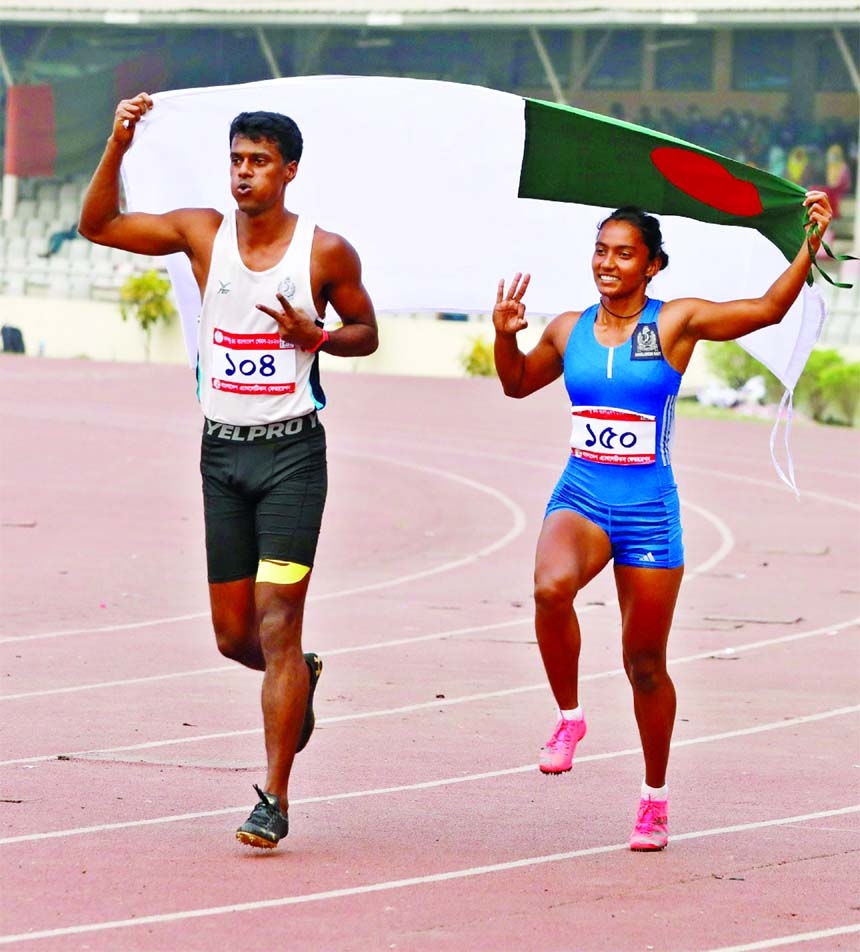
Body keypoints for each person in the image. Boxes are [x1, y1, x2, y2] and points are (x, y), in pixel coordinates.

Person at [79, 92, 378, 849]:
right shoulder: (202, 235)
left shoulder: (325, 253)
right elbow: (98, 226)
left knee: (277, 621)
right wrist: (118, 141)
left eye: (259, 163)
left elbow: (367, 332)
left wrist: (319, 334)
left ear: (290, 171)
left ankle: (272, 796)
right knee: (232, 637)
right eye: (236, 162)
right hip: (222, 455)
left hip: (290, 456)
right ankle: (300, 675)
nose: (244, 175)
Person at [491, 192, 832, 852]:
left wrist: (810, 245)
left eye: (624, 254)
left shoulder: (675, 322)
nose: (608, 264)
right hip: (582, 495)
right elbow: (516, 382)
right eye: (600, 251)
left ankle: (654, 798)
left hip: (649, 512)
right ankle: (569, 719)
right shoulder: (568, 327)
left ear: (652, 266)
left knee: (644, 664)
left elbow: (766, 310)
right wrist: (505, 334)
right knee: (548, 588)